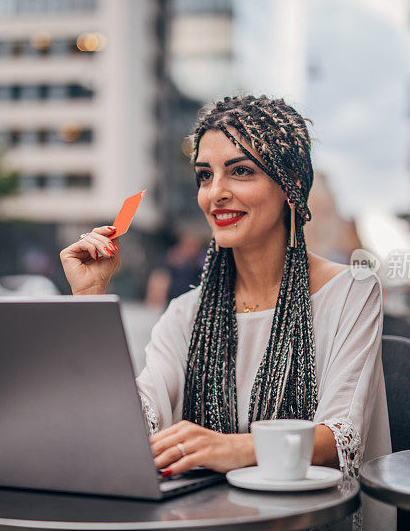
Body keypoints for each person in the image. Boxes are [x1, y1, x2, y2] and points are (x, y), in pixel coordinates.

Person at [60, 95, 392, 529]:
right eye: (204, 175)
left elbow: (338, 438)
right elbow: (127, 420)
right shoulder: (184, 314)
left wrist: (232, 448)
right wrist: (91, 297)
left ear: (290, 181)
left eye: (240, 171)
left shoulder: (352, 291)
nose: (215, 193)